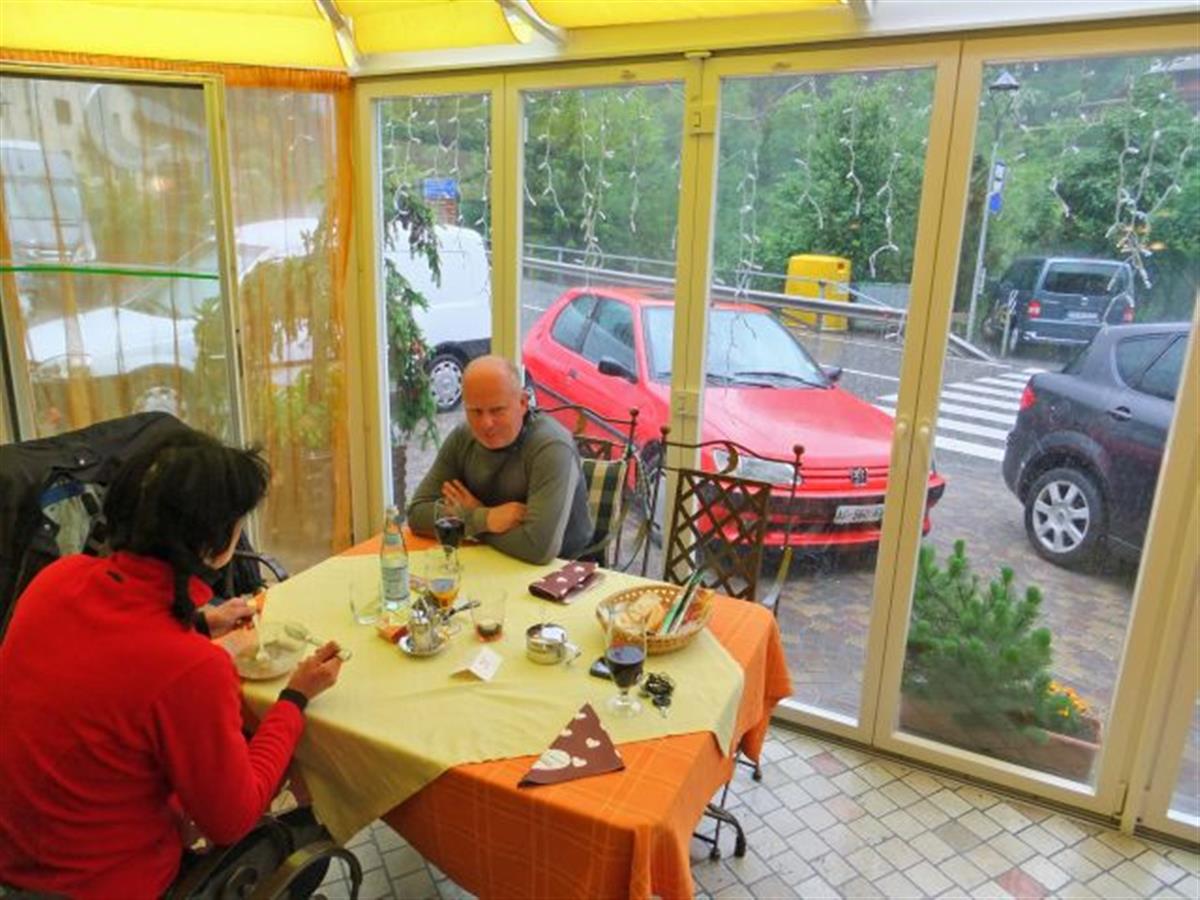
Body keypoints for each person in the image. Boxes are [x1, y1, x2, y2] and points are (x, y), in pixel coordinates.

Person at [0, 431, 343, 899]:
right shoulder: (192, 668)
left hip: (15, 863)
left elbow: (114, 652)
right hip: (107, 884)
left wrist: (198, 621)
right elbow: (231, 820)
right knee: (312, 835)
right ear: (215, 543)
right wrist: (294, 699)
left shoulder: (54, 582)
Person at [408, 355, 593, 565]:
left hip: (566, 568)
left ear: (523, 403)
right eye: (475, 411)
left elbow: (539, 548)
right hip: (490, 558)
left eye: (497, 410)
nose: (486, 423)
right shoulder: (463, 437)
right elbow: (416, 514)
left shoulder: (552, 447)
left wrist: (471, 521)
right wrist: (486, 519)